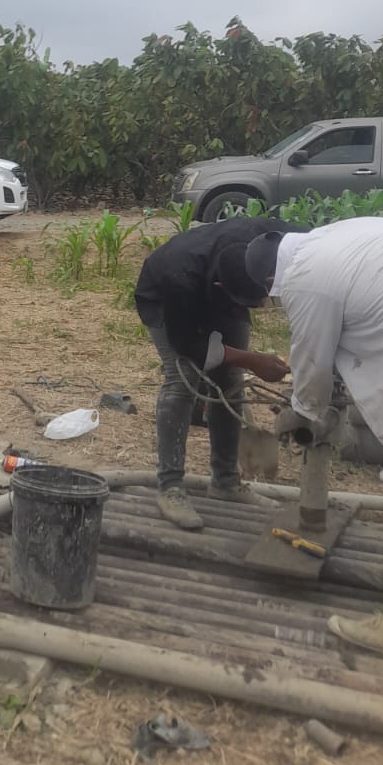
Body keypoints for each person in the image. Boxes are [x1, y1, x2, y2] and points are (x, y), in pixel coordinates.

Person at [243, 218, 383, 656]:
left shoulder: (305, 279)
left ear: (270, 280)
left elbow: (311, 361)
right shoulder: (326, 238)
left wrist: (300, 413)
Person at [134, 217, 296, 530]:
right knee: (182, 381)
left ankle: (225, 481)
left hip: (222, 290)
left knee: (230, 380)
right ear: (223, 287)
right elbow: (187, 344)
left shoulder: (269, 240)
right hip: (166, 300)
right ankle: (170, 487)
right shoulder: (178, 278)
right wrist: (252, 360)